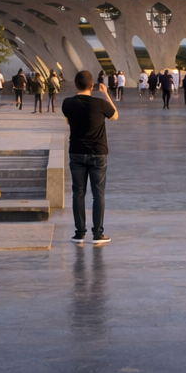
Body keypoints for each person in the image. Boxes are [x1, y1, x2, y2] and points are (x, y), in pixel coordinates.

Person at [62, 70, 117, 245]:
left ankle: (79, 233)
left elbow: (68, 122)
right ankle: (98, 234)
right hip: (98, 153)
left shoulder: (68, 103)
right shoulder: (100, 104)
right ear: (91, 85)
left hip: (77, 152)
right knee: (98, 194)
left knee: (78, 193)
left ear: (76, 85)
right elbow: (115, 115)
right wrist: (106, 94)